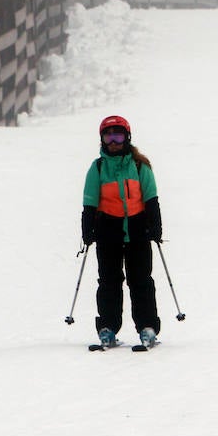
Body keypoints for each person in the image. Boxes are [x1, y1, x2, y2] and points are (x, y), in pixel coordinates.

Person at [81, 115, 163, 348]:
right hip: (109, 232)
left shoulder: (140, 166)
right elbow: (89, 202)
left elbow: (151, 198)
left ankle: (147, 327)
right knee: (109, 281)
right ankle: (108, 327)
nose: (113, 140)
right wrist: (88, 230)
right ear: (102, 140)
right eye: (108, 135)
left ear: (127, 137)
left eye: (118, 135)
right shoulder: (97, 168)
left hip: (138, 232)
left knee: (141, 281)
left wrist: (155, 226)